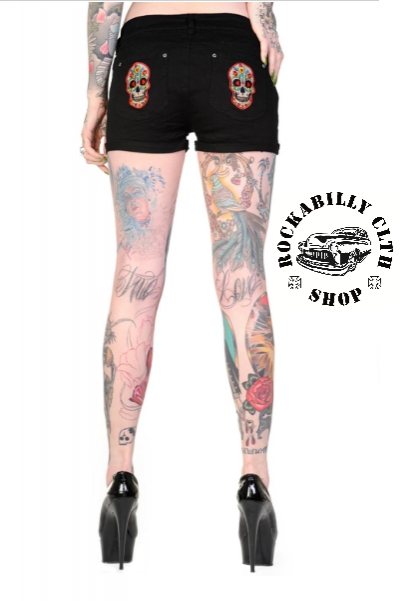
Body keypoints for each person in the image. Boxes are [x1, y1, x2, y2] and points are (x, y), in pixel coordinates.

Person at [81, 1, 284, 572]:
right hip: (235, 57)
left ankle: (120, 476)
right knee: (242, 274)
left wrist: (97, 92)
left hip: (145, 60)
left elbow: (105, 5)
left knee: (136, 272)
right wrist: (265, 21)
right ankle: (255, 478)